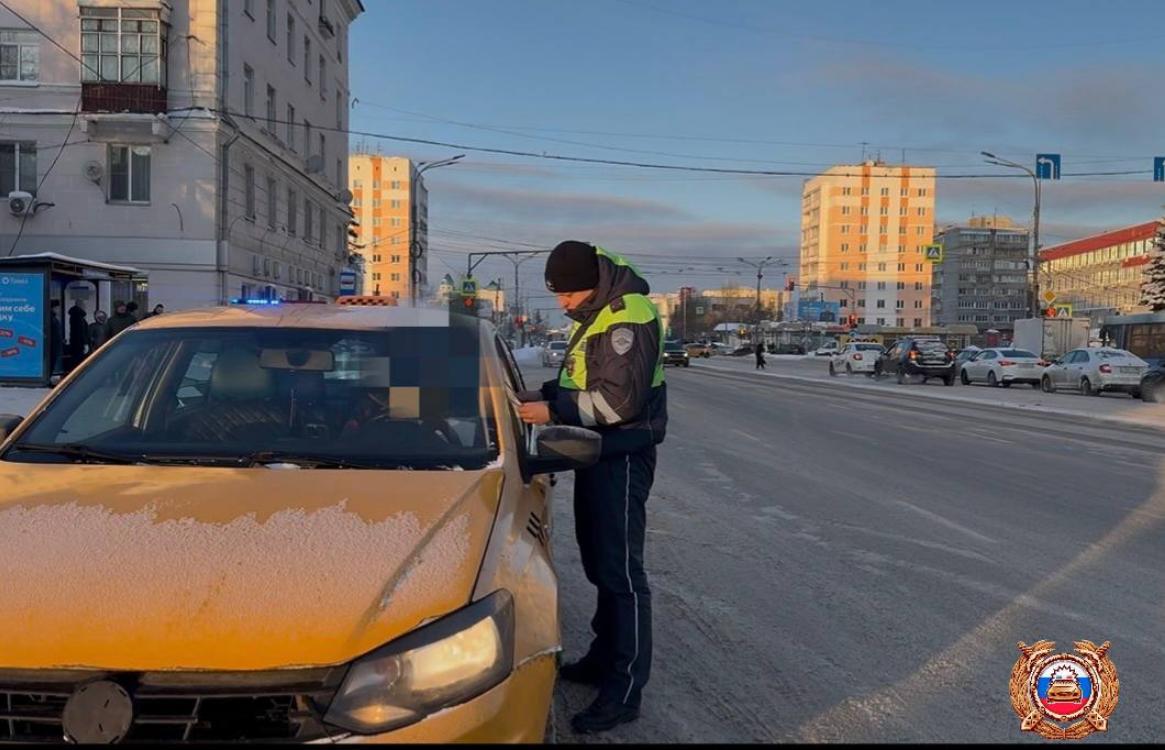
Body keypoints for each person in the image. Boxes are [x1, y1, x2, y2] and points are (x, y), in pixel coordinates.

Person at [517, 241, 667, 734]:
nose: (561, 303)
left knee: (622, 573)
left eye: (567, 294)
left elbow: (618, 404)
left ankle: (624, 690)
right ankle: (603, 659)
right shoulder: (597, 312)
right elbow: (583, 381)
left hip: (622, 454)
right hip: (598, 452)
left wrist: (553, 411)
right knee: (601, 563)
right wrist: (539, 396)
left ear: (593, 282)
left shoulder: (628, 315)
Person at [66, 301, 89, 368]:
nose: (85, 307)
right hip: (79, 344)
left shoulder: (74, 316)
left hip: (75, 344)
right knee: (79, 362)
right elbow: (81, 331)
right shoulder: (78, 317)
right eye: (83, 305)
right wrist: (85, 343)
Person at [48, 300, 64, 375]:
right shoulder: (51, 318)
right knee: (52, 363)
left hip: (55, 344)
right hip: (53, 345)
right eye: (57, 308)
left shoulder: (53, 318)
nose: (58, 310)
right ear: (53, 308)